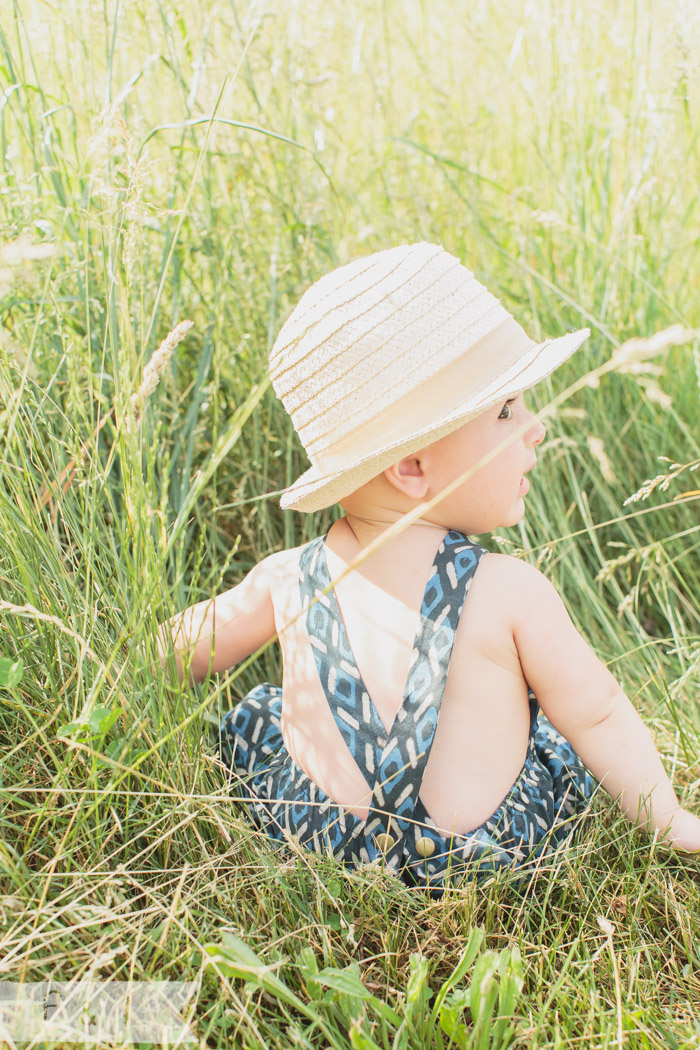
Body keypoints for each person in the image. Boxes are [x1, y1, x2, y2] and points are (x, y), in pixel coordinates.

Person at [157, 242, 700, 891]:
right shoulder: (509, 591)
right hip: (477, 859)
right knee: (555, 732)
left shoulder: (284, 578)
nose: (537, 427)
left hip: (315, 844)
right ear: (411, 468)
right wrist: (669, 818)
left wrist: (126, 668)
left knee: (262, 713)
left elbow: (187, 646)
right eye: (507, 411)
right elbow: (600, 713)